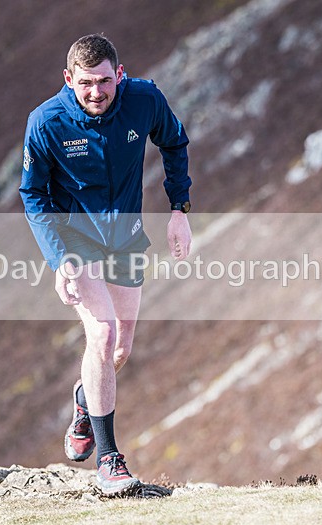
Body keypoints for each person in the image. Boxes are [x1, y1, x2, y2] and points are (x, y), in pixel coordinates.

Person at [19, 34, 193, 495]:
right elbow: (33, 195)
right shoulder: (46, 122)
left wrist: (179, 210)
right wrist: (59, 259)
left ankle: (85, 400)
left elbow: (174, 142)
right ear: (68, 79)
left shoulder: (144, 99)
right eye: (85, 83)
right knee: (103, 334)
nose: (95, 92)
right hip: (75, 239)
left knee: (120, 351)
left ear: (119, 74)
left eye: (103, 81)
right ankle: (109, 460)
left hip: (126, 236)